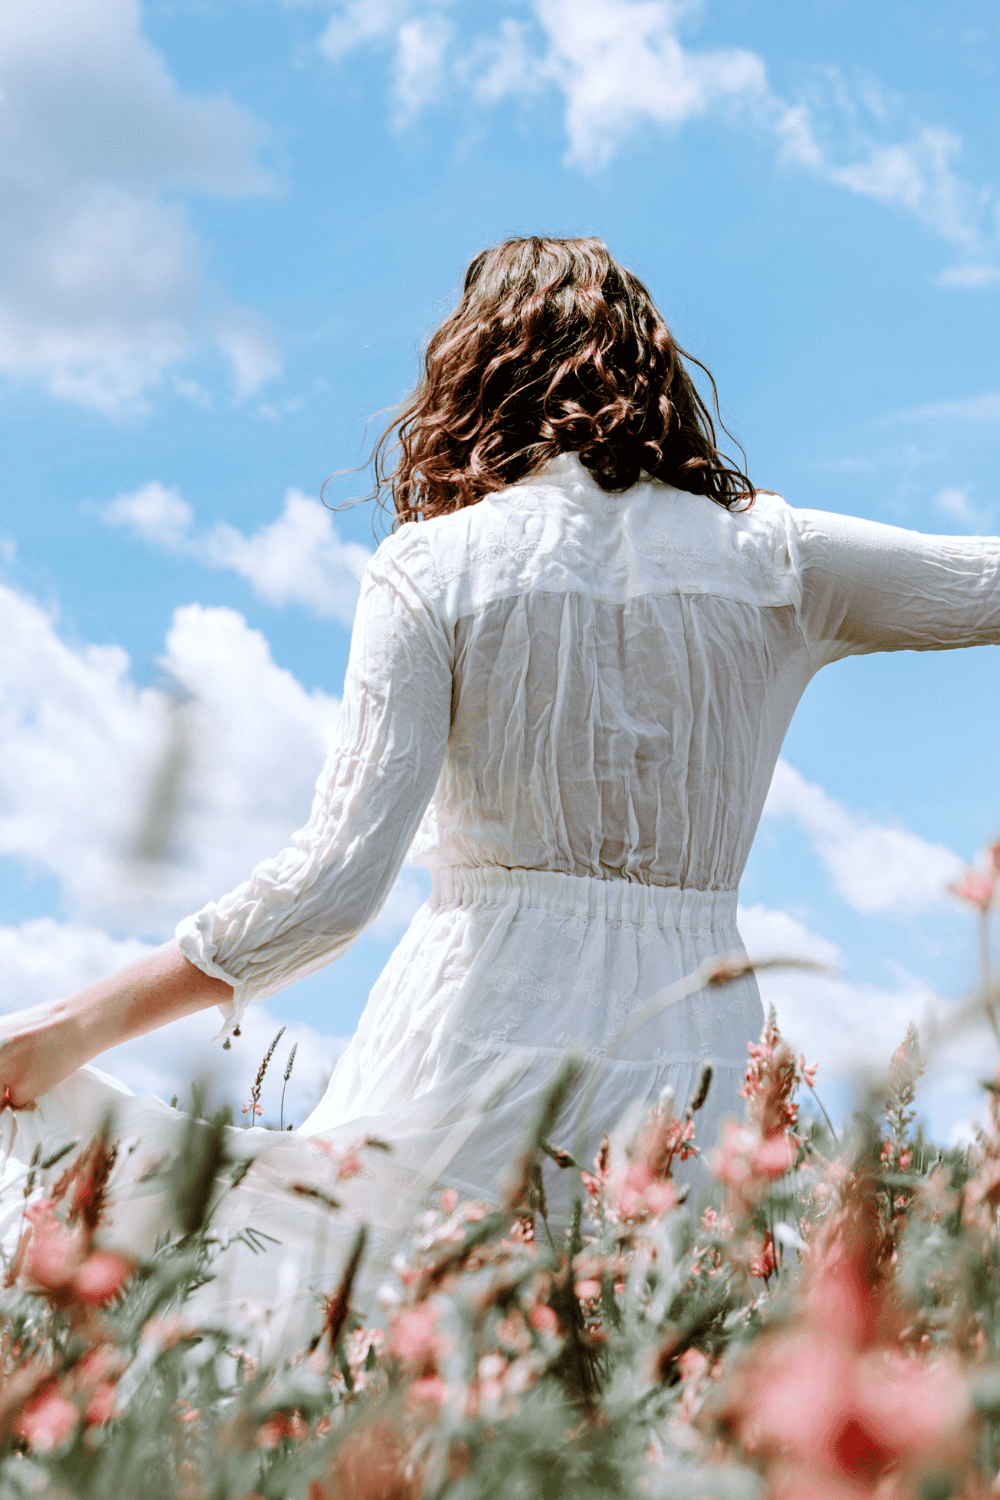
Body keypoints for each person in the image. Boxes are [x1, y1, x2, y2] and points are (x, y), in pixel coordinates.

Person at [3, 236, 1000, 1350]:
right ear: (654, 377)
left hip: (473, 1031)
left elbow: (333, 887)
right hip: (700, 1040)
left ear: (472, 373)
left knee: (401, 1379)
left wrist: (69, 1023)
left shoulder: (434, 570)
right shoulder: (776, 558)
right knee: (656, 1389)